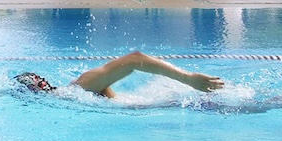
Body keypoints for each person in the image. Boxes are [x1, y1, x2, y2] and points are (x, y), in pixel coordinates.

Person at [15, 50, 225, 98]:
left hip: (187, 103)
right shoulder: (71, 96)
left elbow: (134, 59)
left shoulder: (80, 86)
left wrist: (188, 79)